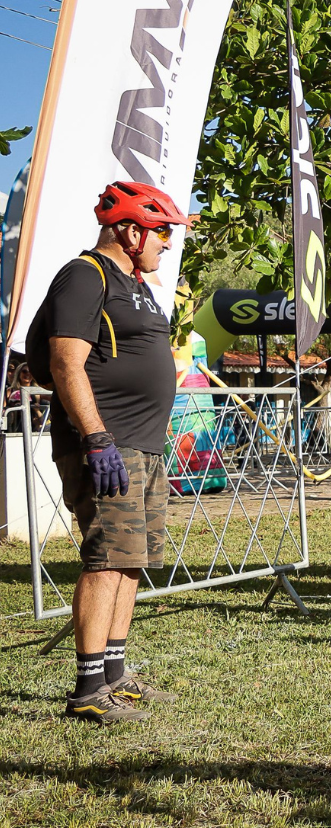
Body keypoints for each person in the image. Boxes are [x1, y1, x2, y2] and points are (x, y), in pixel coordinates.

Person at [41, 182, 191, 723]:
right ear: (130, 231)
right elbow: (64, 363)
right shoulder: (86, 277)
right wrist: (96, 438)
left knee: (132, 561)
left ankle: (115, 674)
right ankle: (87, 689)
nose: (167, 243)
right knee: (107, 560)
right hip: (110, 445)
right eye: (163, 232)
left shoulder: (140, 284)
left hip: (145, 446)